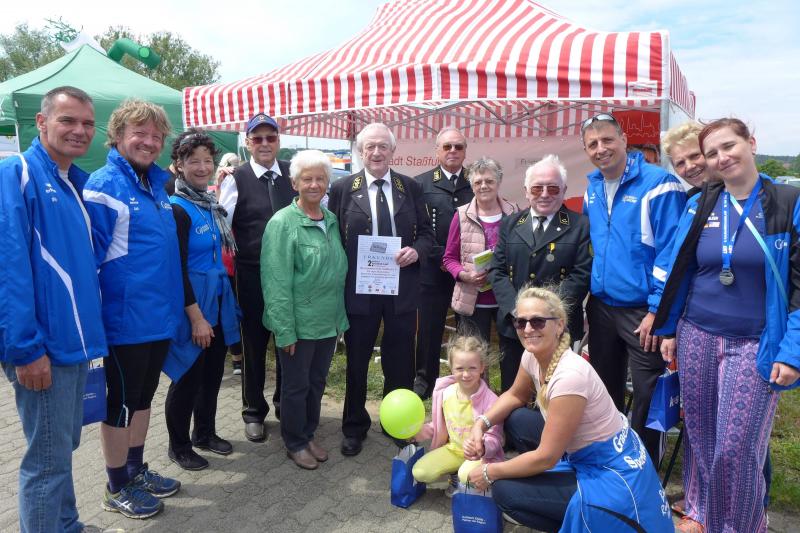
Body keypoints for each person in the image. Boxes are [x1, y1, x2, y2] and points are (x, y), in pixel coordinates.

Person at [654, 118, 800, 533]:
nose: (722, 157)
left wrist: (793, 352)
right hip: (696, 334)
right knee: (701, 438)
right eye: (713, 152)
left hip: (755, 342)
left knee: (736, 449)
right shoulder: (701, 203)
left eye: (729, 146)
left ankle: (741, 526)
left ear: (751, 143)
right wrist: (668, 328)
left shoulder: (787, 201)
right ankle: (702, 514)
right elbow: (680, 268)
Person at [463, 287, 673, 532]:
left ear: (559, 325)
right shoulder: (532, 355)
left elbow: (546, 457)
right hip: (585, 452)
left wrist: (490, 471)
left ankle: (578, 519)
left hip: (607, 470)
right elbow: (515, 395)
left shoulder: (569, 377)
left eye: (538, 321)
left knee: (504, 491)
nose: (528, 329)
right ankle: (551, 496)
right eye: (520, 322)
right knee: (517, 420)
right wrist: (481, 423)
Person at [0, 86, 107, 533]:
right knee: (46, 462)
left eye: (87, 123)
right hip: (44, 347)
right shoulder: (17, 173)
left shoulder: (73, 181)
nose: (79, 130)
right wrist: (25, 349)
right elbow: (8, 267)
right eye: (68, 120)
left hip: (74, 343)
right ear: (42, 123)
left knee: (59, 451)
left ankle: (67, 524)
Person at [83, 99, 183, 519]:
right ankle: (116, 486)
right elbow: (88, 260)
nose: (149, 141)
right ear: (118, 135)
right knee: (120, 405)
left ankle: (135, 469)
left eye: (156, 136)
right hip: (124, 322)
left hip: (157, 318)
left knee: (142, 400)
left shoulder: (156, 186)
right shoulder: (105, 185)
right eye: (139, 133)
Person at [581, 112, 686, 464]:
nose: (601, 148)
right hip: (602, 306)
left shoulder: (659, 184)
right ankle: (609, 459)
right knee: (603, 388)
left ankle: (644, 468)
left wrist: (658, 310)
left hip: (644, 310)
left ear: (624, 140)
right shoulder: (593, 187)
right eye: (593, 144)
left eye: (607, 140)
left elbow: (671, 252)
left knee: (648, 393)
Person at [327, 122, 434, 457]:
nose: (376, 152)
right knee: (357, 359)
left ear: (393, 151)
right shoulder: (343, 188)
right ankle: (354, 427)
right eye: (369, 147)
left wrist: (416, 250)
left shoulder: (410, 187)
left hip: (401, 288)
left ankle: (395, 423)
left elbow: (428, 235)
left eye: (382, 146)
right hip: (360, 290)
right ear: (360, 151)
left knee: (400, 360)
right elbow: (331, 238)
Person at [261, 150, 349, 470]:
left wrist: (339, 320)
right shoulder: (282, 223)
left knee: (316, 382)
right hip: (298, 323)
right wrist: (285, 330)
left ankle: (308, 433)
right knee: (296, 387)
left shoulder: (331, 220)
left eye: (320, 179)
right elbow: (275, 282)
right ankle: (295, 441)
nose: (314, 184)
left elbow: (335, 272)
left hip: (327, 321)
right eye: (307, 179)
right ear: (294, 183)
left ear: (328, 183)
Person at [163, 130, 241, 471]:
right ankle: (178, 446)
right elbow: (175, 270)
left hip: (218, 302)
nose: (202, 167)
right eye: (193, 161)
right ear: (179, 165)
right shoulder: (177, 209)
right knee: (187, 377)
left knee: (211, 374)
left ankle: (204, 433)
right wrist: (196, 318)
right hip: (193, 305)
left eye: (207, 161)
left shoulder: (209, 203)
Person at [219, 113, 297, 442]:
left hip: (290, 276)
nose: (265, 144)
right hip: (252, 275)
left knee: (287, 342)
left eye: (271, 138)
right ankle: (253, 411)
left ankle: (284, 404)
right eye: (258, 138)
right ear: (248, 143)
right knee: (253, 345)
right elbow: (223, 228)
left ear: (278, 141)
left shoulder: (292, 174)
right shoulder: (235, 178)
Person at [490, 155, 592, 391]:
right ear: (526, 191)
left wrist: (545, 314)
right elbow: (497, 270)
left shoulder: (581, 226)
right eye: (537, 188)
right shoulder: (510, 224)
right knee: (513, 389)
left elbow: (581, 274)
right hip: (515, 324)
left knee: (554, 390)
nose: (545, 194)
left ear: (564, 190)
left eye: (553, 188)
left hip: (557, 327)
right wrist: (519, 311)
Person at [442, 158, 516, 381]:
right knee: (473, 359)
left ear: (499, 182)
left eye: (489, 181)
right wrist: (465, 275)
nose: (484, 186)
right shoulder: (461, 215)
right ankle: (478, 399)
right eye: (478, 182)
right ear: (472, 185)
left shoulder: (514, 212)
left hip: (507, 300)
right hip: (472, 301)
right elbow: (449, 258)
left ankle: (510, 398)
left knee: (511, 356)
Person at [413, 127, 474, 399]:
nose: (452, 151)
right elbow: (417, 228)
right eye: (447, 146)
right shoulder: (421, 184)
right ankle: (425, 381)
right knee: (429, 328)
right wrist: (441, 258)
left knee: (467, 330)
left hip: (467, 273)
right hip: (432, 270)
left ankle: (466, 382)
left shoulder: (475, 182)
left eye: (458, 147)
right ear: (437, 151)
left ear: (465, 151)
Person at [410, 334, 504, 496]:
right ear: (451, 367)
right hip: (453, 450)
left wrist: (482, 446)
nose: (466, 374)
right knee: (420, 472)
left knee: (465, 475)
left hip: (479, 456)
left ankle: (479, 480)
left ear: (482, 367)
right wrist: (419, 432)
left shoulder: (491, 400)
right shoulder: (445, 393)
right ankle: (455, 475)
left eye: (472, 368)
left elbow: (496, 439)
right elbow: (438, 426)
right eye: (460, 368)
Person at [214, 152, 244, 375]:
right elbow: (219, 215)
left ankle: (238, 358)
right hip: (225, 262)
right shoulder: (214, 191)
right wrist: (218, 185)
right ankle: (235, 358)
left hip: (236, 260)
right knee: (229, 310)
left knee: (235, 310)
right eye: (228, 166)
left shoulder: (242, 184)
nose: (230, 170)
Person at [662, 121, 709, 196]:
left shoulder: (730, 190)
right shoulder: (687, 200)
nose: (689, 166)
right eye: (680, 163)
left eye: (695, 156)